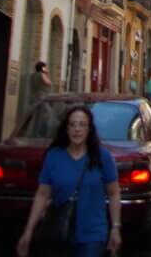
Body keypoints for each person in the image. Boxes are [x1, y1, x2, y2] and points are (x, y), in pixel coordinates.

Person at [17, 105, 121, 257]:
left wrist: (116, 228)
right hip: (59, 233)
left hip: (93, 235)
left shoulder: (102, 157)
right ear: (66, 129)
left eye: (82, 124)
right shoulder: (54, 156)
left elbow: (113, 193)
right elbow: (42, 194)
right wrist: (28, 231)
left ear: (89, 129)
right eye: (72, 124)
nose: (77, 129)